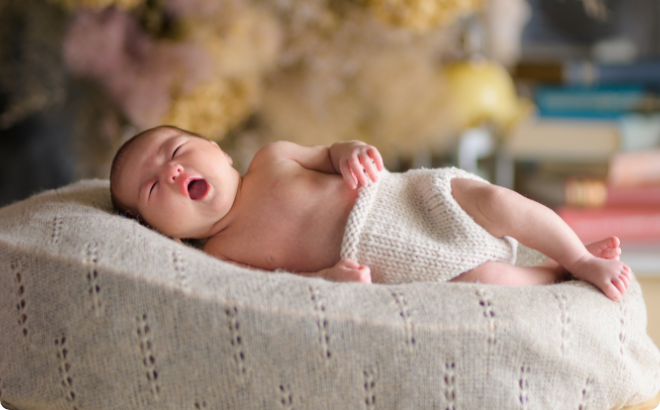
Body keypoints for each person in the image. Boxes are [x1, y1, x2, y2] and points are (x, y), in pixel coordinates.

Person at [110, 125, 631, 301]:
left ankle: (579, 257)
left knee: (497, 201)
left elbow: (330, 152)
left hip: (413, 201)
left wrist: (351, 153)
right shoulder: (221, 256)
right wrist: (326, 280)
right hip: (402, 264)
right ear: (164, 234)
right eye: (152, 188)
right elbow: (281, 287)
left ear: (217, 149)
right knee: (488, 282)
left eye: (177, 152)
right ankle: (553, 275)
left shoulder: (272, 159)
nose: (173, 172)